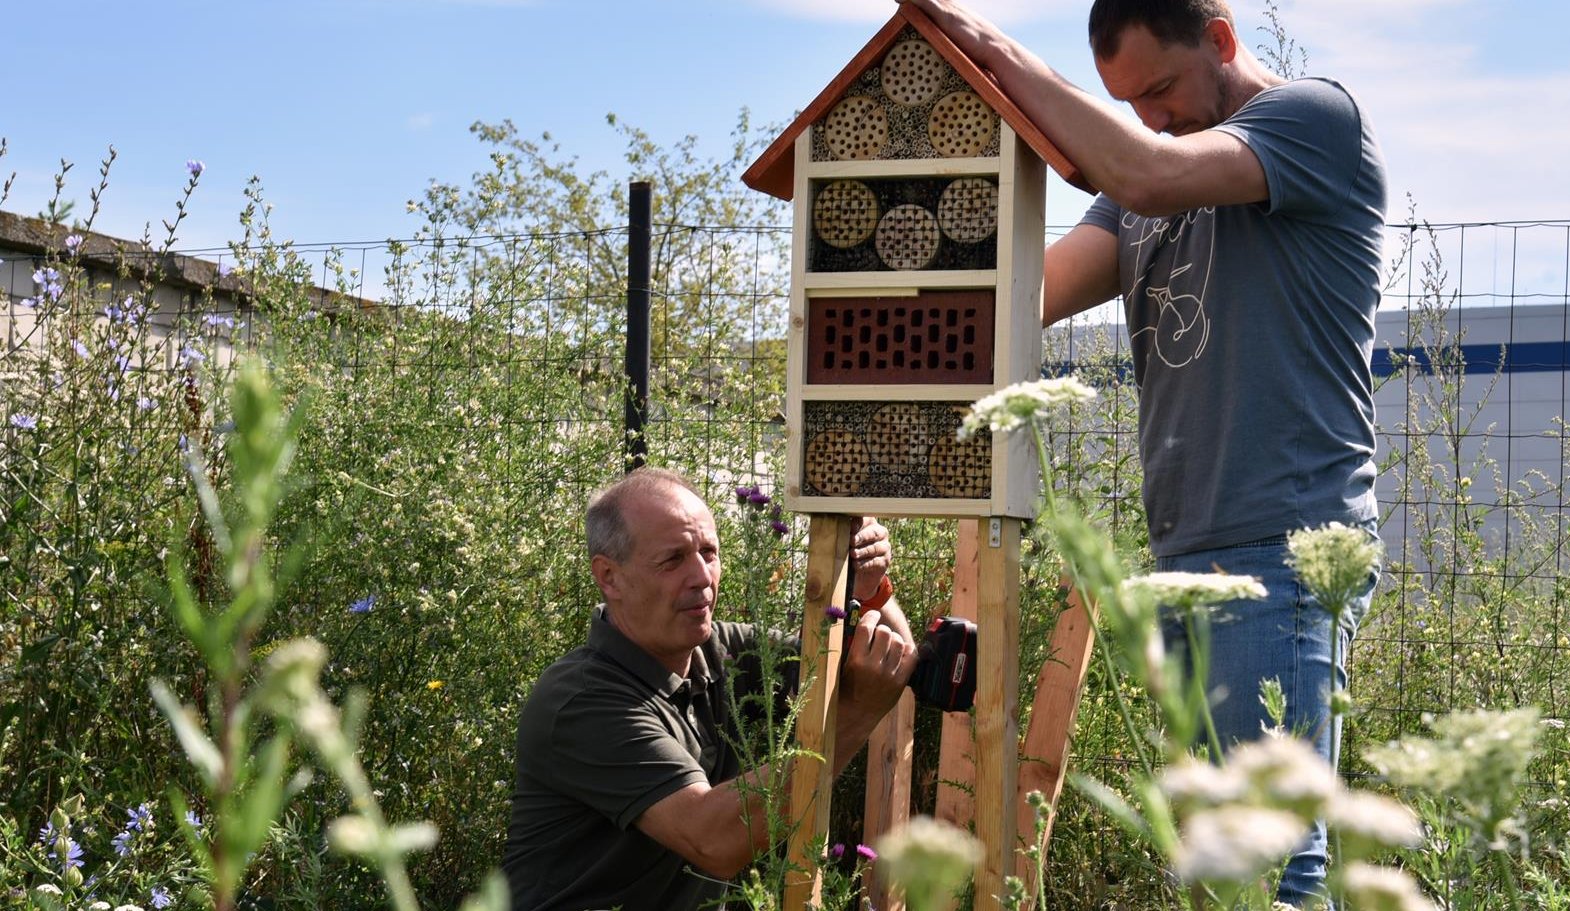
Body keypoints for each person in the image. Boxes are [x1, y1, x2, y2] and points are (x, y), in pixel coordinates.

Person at [902, 0, 1385, 904]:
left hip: (1282, 549)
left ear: (1221, 37)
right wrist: (910, 247)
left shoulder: (1314, 121)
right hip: (1188, 556)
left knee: (1271, 867)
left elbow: (1149, 171)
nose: (1150, 117)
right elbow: (1029, 294)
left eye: (1159, 88)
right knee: (1215, 866)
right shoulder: (1137, 183)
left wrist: (997, 51)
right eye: (1128, 102)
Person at [502, 467, 917, 911]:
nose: (702, 576)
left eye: (709, 552)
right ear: (609, 577)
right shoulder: (580, 700)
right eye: (673, 559)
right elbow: (714, 840)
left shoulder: (721, 651)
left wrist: (870, 590)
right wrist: (855, 716)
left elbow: (882, 665)